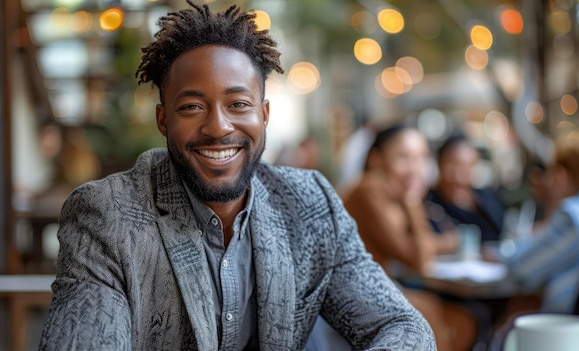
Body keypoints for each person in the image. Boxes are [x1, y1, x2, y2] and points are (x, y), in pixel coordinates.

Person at [38, 2, 436, 350]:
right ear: (163, 120)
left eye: (238, 104)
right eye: (192, 107)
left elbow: (403, 326)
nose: (218, 127)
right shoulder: (108, 218)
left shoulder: (309, 204)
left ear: (263, 115)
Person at [342, 123, 476, 351]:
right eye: (404, 157)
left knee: (462, 321)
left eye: (421, 158)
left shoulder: (387, 195)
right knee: (430, 312)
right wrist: (413, 203)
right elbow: (420, 260)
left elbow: (414, 251)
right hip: (351, 299)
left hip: (371, 292)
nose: (416, 168)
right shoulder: (369, 190)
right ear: (376, 159)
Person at [495, 127, 579, 313]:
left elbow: (522, 268)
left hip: (572, 326)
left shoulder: (574, 215)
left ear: (561, 174)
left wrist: (552, 203)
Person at [425, 133, 506, 243]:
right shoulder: (427, 205)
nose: (459, 176)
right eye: (453, 166)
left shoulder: (488, 200)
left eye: (468, 167)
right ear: (439, 164)